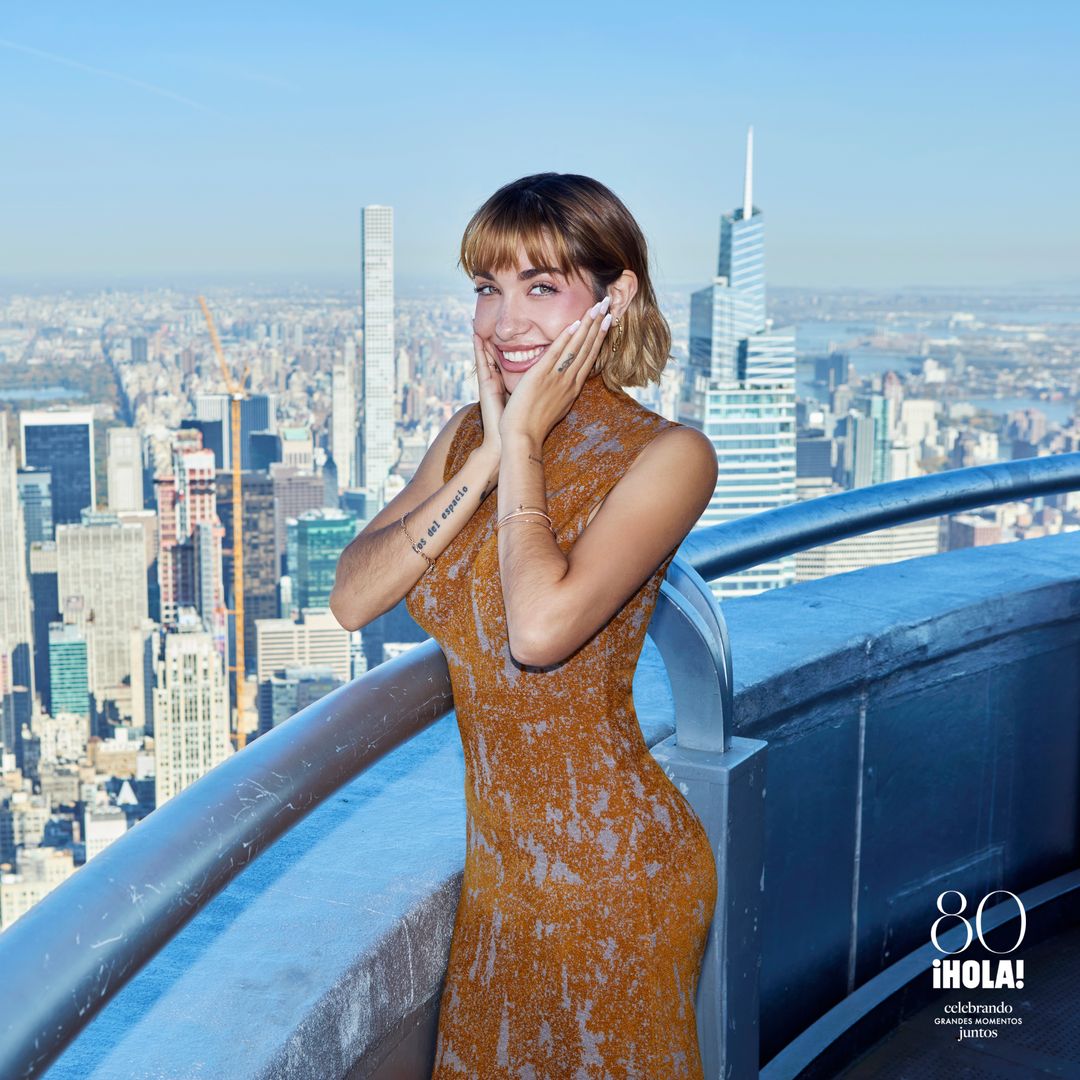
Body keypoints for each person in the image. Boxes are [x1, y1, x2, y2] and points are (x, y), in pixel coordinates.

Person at [330, 173, 719, 1078]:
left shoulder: (669, 456)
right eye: (487, 288)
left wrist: (525, 450)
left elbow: (537, 629)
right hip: (501, 888)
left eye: (541, 288)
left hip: (618, 885)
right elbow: (353, 594)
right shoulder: (473, 434)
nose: (504, 324)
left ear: (614, 296)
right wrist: (487, 461)